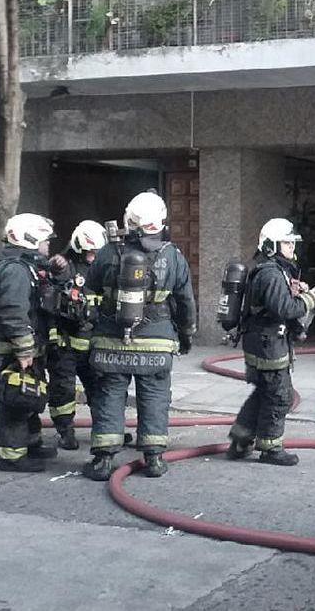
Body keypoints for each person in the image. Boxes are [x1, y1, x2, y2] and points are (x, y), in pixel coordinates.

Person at [82, 191, 197, 481]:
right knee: (155, 398)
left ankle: (103, 461)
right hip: (157, 343)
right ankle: (154, 459)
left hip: (111, 341)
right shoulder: (173, 256)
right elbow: (185, 302)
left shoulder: (108, 253)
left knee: (109, 397)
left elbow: (88, 294)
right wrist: (186, 335)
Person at [227, 218, 315, 466]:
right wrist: (308, 300)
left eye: (293, 242)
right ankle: (270, 448)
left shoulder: (273, 270)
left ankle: (241, 438)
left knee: (264, 391)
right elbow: (283, 308)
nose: (292, 247)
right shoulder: (270, 273)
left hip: (264, 341)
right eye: (287, 242)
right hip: (268, 343)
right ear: (271, 245)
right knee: (280, 396)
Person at [0, 213, 58, 472]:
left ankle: (30, 444)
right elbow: (13, 311)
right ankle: (11, 456)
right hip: (12, 349)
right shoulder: (15, 270)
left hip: (23, 346)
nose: (47, 245)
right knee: (15, 399)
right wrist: (24, 348)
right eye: (44, 240)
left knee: (29, 395)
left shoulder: (23, 266)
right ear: (29, 239)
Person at [44, 220, 107, 450]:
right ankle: (65, 432)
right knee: (63, 391)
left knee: (101, 390)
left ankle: (104, 430)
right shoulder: (64, 267)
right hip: (66, 345)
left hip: (94, 345)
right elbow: (50, 300)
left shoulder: (102, 269)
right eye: (89, 252)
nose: (93, 257)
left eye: (96, 253)